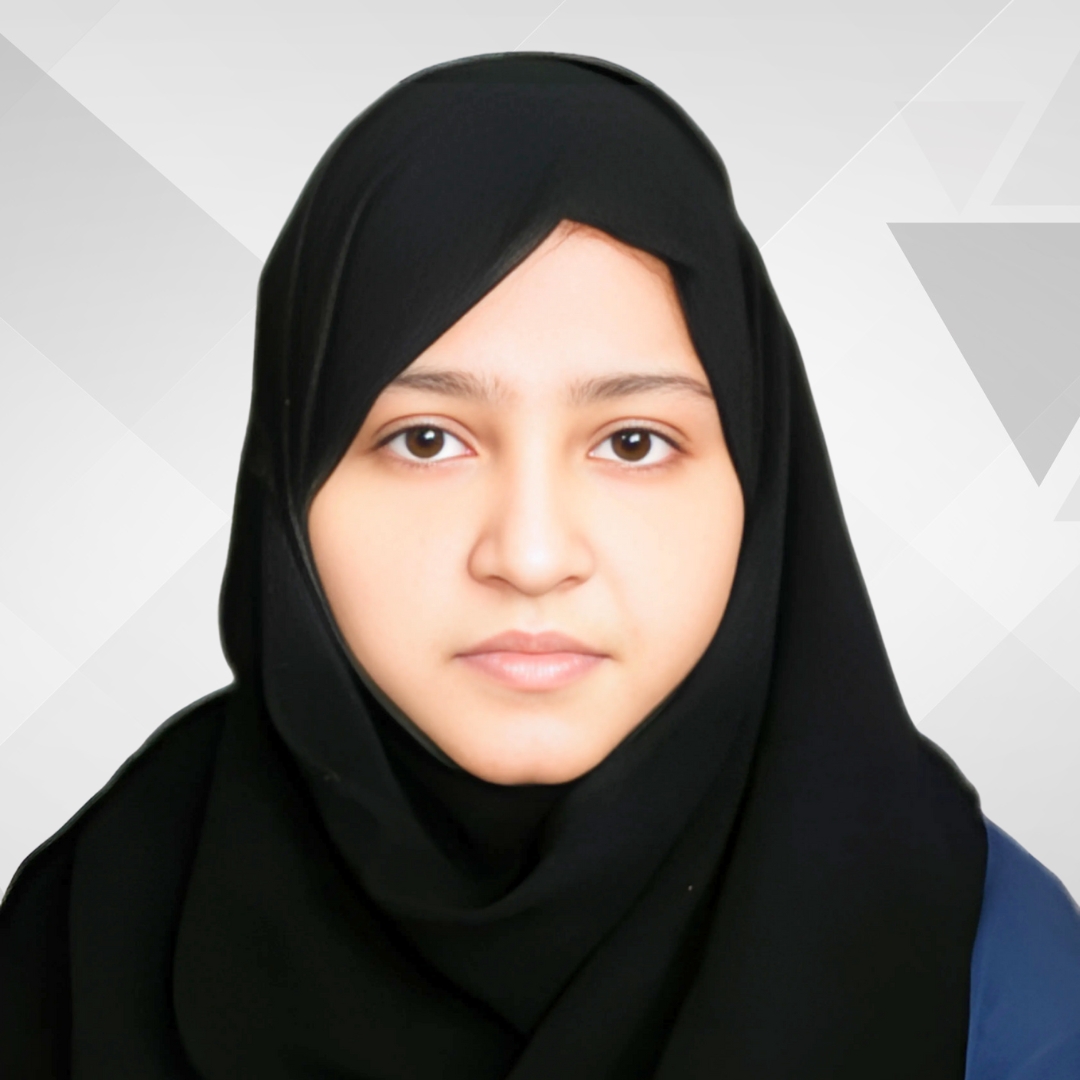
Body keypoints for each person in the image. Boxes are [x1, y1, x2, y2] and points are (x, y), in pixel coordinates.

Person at [1, 53, 1078, 1080]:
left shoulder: (992, 976)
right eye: (426, 440)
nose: (529, 555)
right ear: (289, 485)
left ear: (761, 480)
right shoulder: (80, 940)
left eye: (634, 443)